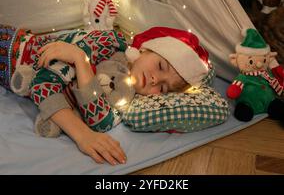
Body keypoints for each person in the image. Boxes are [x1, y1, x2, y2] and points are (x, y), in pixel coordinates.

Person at [0, 24, 210, 166]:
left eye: (163, 88)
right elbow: (42, 83)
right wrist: (82, 135)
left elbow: (101, 122)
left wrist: (80, 63)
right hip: (12, 46)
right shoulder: (110, 41)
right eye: (160, 66)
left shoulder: (128, 96)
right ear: (146, 49)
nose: (156, 80)